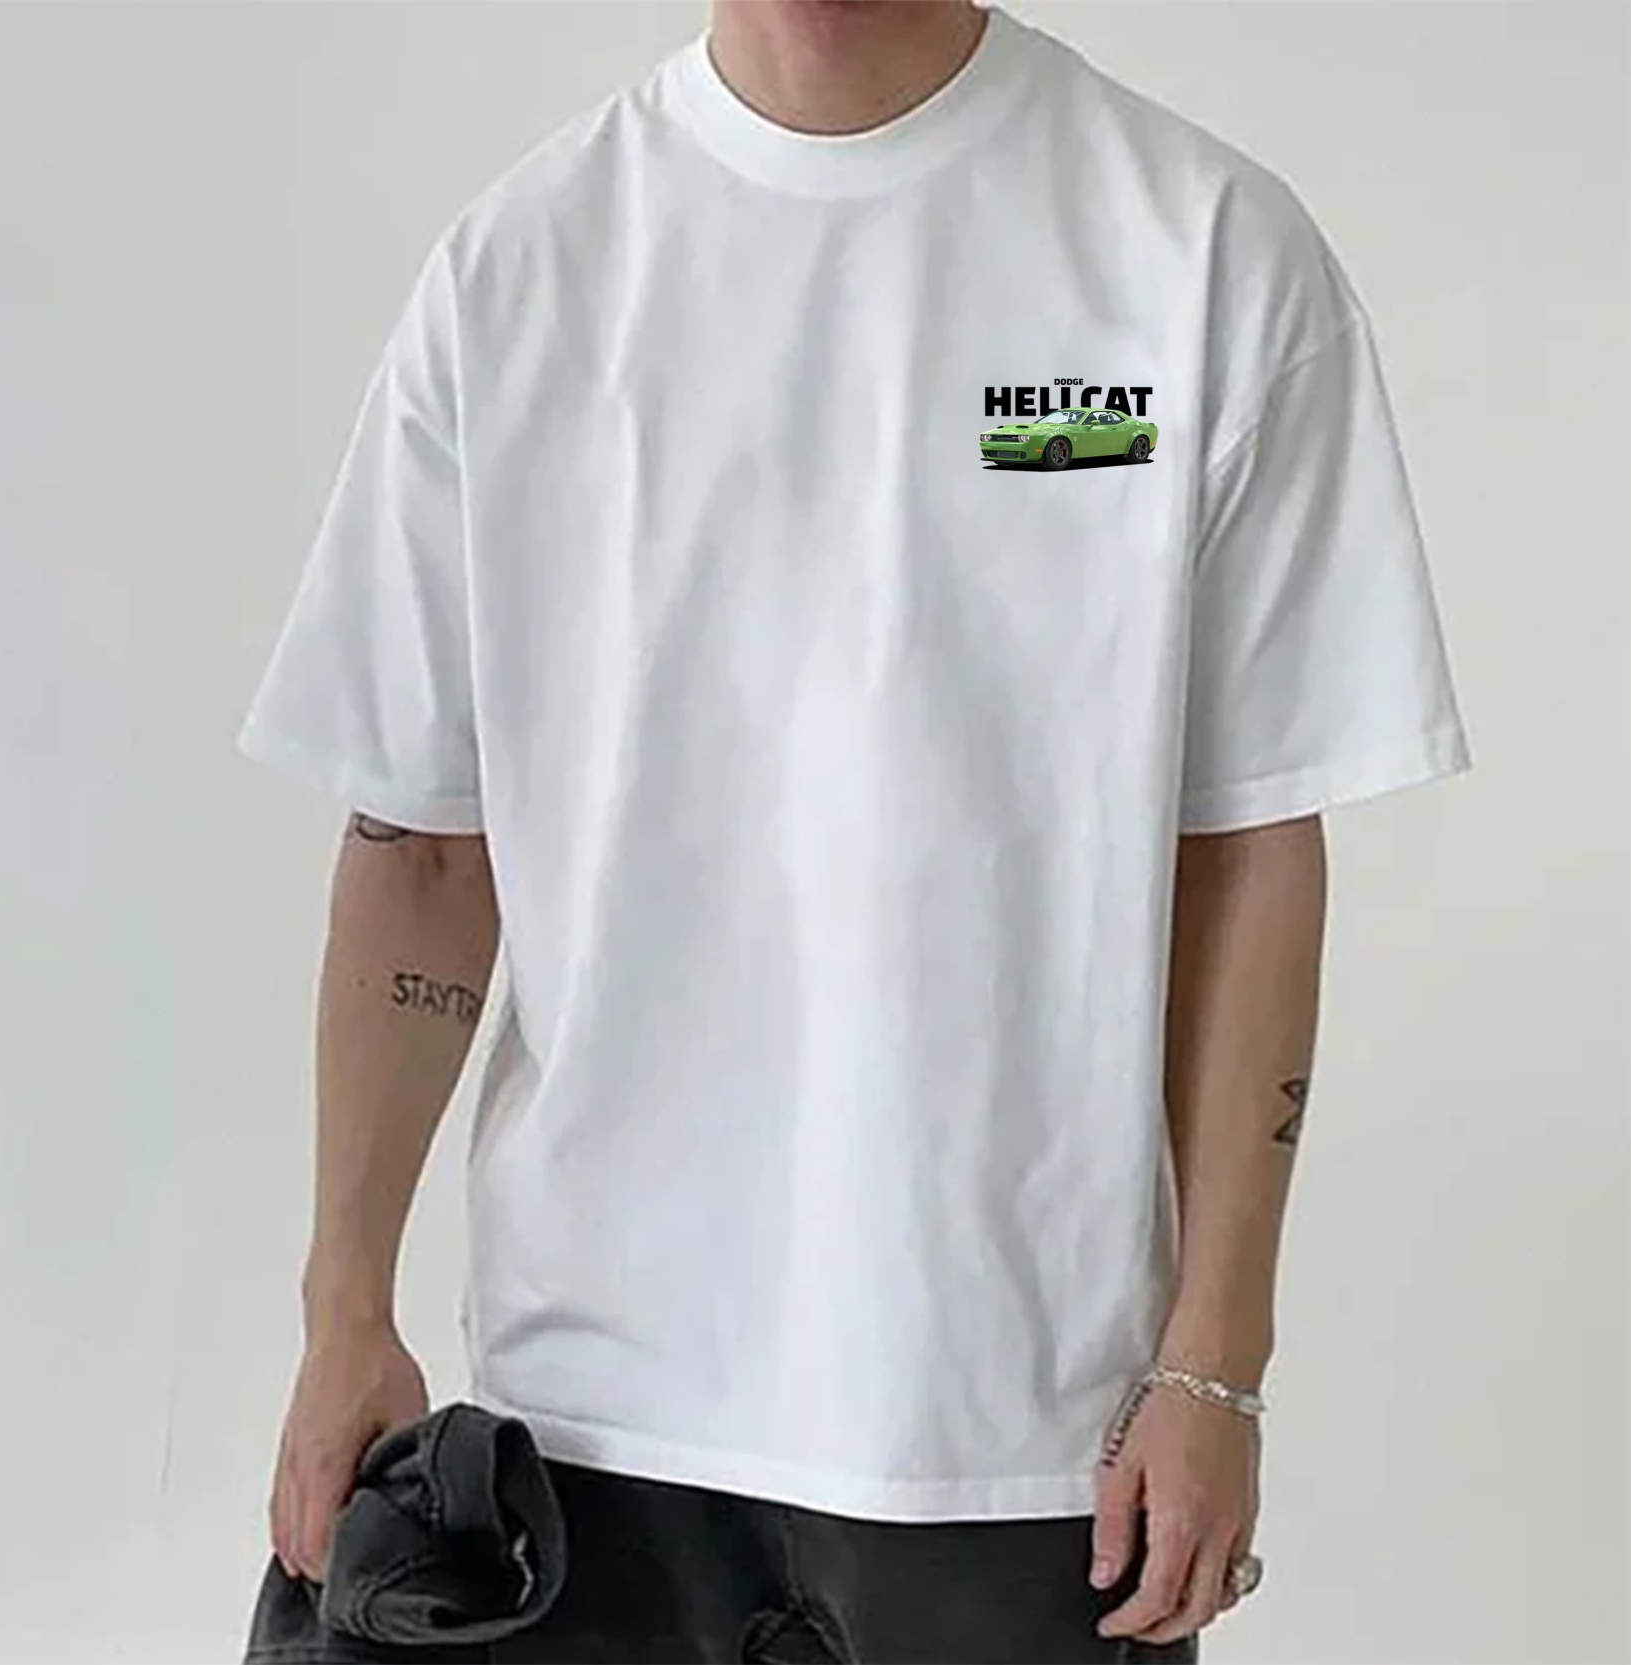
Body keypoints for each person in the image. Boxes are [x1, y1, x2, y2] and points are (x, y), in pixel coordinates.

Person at [234, 1, 1472, 1659]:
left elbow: (1246, 843)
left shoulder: (1201, 248)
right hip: (588, 1420)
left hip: (1027, 1429)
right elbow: (422, 848)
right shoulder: (521, 269)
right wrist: (344, 1312)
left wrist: (1216, 1360)